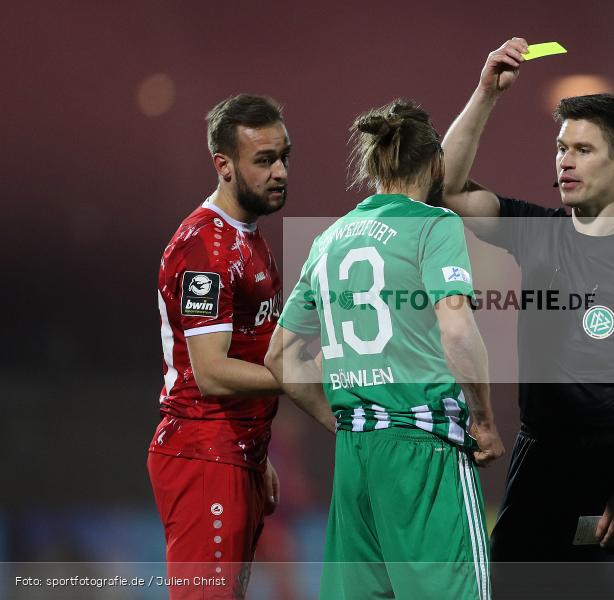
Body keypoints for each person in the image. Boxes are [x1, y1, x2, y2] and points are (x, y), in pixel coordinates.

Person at [438, 38, 614, 599]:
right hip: (537, 461)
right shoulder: (537, 232)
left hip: (611, 472)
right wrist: (485, 93)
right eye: (561, 148)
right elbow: (448, 188)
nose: (564, 160)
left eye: (582, 149)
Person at [266, 98, 504, 600]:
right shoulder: (434, 225)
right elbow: (457, 330)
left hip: (356, 458)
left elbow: (282, 357)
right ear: (436, 163)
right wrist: (482, 420)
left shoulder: (328, 240)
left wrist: (343, 418)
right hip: (424, 454)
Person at [148, 94, 333, 599]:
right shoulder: (204, 249)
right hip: (204, 454)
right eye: (264, 160)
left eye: (284, 157)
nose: (280, 172)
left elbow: (248, 352)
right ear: (223, 166)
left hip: (236, 453)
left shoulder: (249, 238)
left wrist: (258, 452)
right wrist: (305, 377)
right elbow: (211, 372)